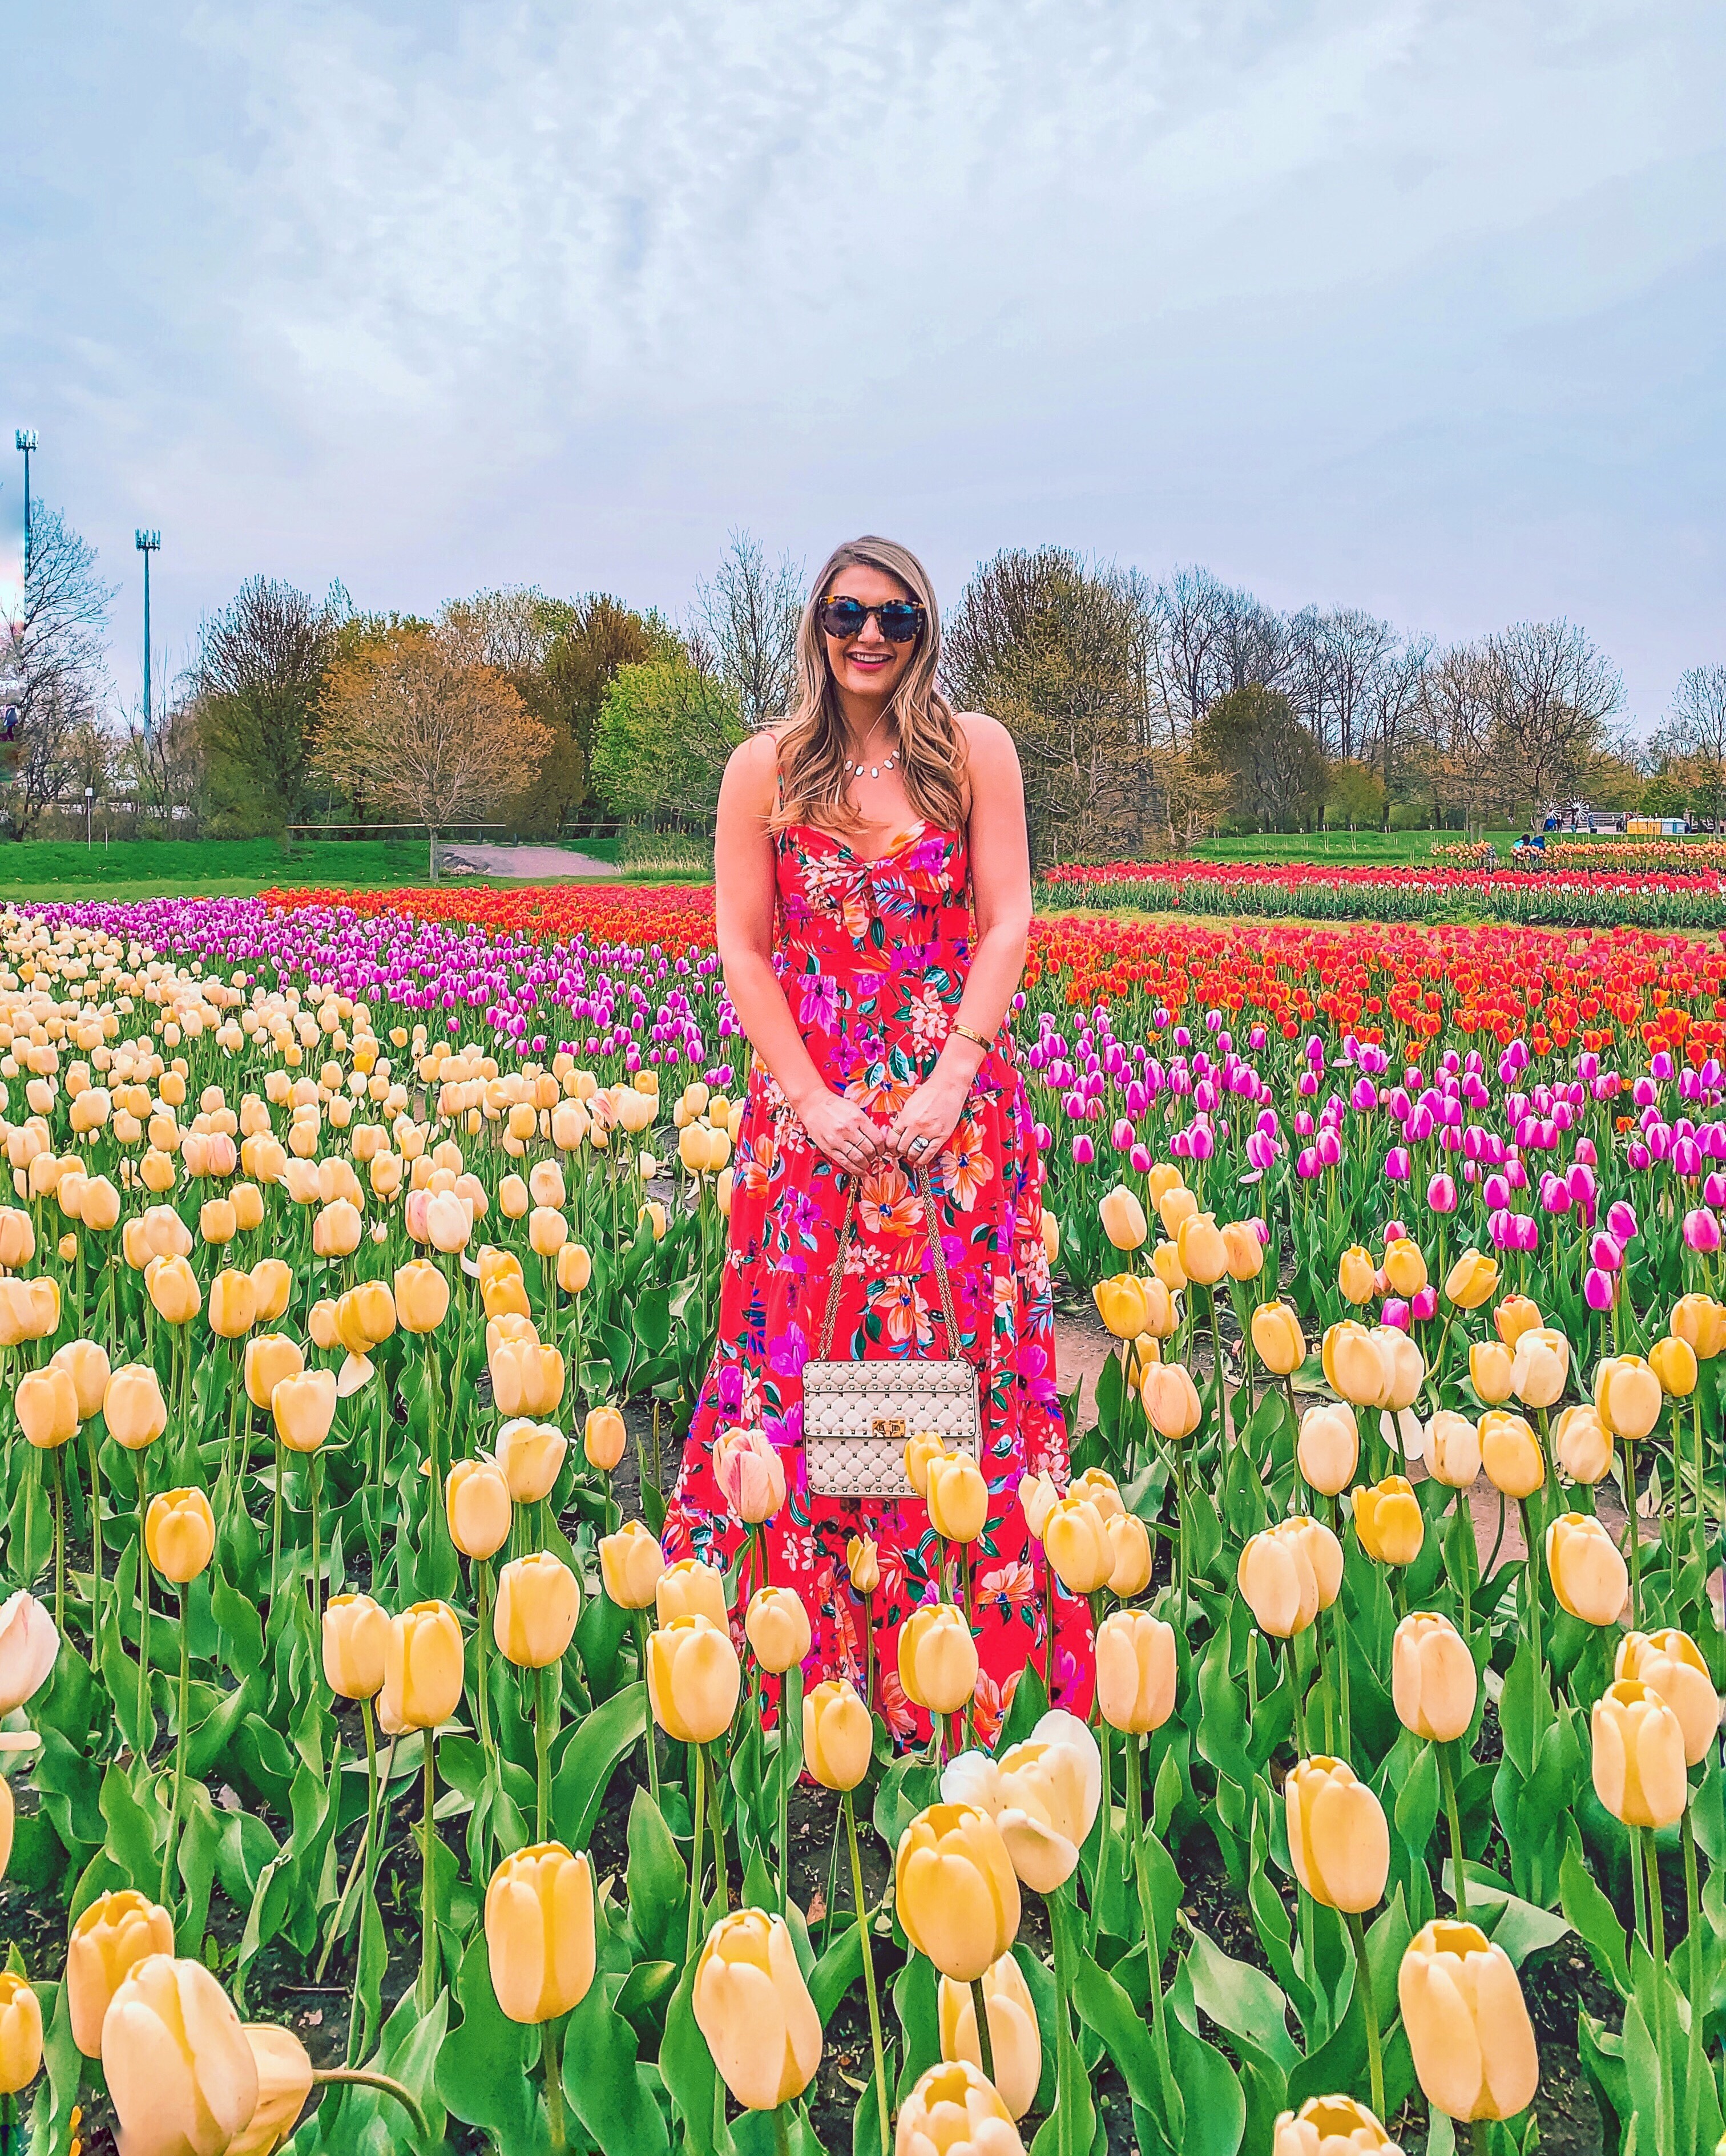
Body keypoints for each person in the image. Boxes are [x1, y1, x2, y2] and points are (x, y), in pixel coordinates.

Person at [663, 535, 1088, 1742]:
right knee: (811, 1365)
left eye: (894, 618)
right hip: (812, 1124)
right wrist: (810, 1101)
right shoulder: (766, 768)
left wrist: (953, 1075)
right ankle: (815, 1662)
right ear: (816, 623)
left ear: (924, 632)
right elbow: (743, 949)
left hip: (953, 1120)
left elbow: (1008, 921)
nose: (868, 636)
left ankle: (946, 1652)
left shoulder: (974, 753)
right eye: (848, 613)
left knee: (947, 1367)